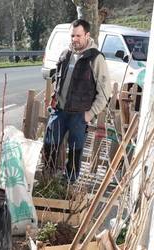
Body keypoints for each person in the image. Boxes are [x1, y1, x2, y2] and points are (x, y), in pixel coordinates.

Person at [43, 19, 111, 182]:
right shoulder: (65, 54)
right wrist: (54, 98)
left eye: (78, 36)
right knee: (49, 146)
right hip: (59, 111)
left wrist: (90, 113)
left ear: (87, 35)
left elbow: (105, 92)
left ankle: (69, 185)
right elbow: (58, 80)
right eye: (72, 35)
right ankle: (48, 181)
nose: (75, 39)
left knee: (75, 152)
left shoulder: (96, 58)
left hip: (79, 114)